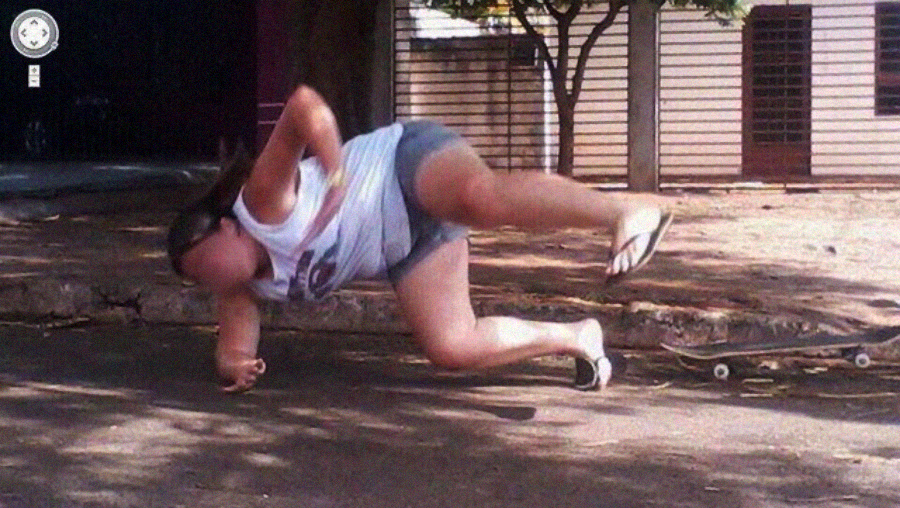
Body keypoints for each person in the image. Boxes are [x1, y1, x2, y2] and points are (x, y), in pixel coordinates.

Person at [167, 85, 673, 393]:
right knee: (452, 347)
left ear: (227, 227)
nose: (210, 279)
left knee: (479, 198)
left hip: (401, 165)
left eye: (204, 262)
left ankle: (624, 210)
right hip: (408, 243)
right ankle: (578, 337)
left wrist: (336, 172)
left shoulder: (261, 200)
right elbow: (232, 350)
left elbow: (303, 105)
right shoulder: (240, 292)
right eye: (199, 279)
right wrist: (236, 366)